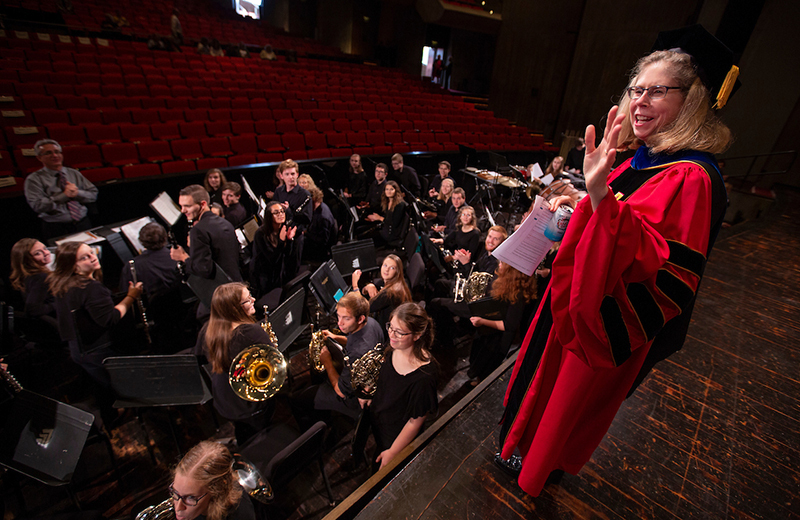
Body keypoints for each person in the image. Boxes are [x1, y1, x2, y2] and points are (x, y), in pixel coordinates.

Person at [498, 26, 735, 497]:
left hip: (603, 318)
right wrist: (578, 205)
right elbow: (605, 216)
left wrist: (599, 196)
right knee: (537, 382)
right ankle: (518, 448)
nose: (640, 102)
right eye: (636, 90)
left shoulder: (691, 175)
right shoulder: (640, 158)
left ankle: (538, 469)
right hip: (574, 297)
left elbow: (656, 262)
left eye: (657, 92)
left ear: (690, 101)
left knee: (565, 402)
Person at [49, 242, 143, 387]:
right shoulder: (91, 288)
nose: (93, 258)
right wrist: (131, 296)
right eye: (84, 258)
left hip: (78, 349)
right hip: (98, 350)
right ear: (74, 266)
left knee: (108, 391)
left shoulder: (61, 284)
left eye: (91, 253)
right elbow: (110, 318)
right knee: (130, 386)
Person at [193, 283, 275, 444]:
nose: (253, 299)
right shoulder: (251, 333)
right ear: (233, 309)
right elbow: (273, 361)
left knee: (244, 432)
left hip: (225, 400)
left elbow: (199, 359)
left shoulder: (207, 330)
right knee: (258, 438)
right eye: (247, 300)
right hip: (250, 403)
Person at [363, 303, 438, 469]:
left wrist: (392, 452)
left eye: (400, 332)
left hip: (396, 435)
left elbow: (415, 422)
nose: (392, 334)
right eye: (391, 327)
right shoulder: (393, 347)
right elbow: (382, 371)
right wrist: (368, 388)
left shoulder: (424, 377)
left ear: (417, 335)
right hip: (380, 418)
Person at [293, 292, 383, 424]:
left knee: (298, 400)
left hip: (353, 400)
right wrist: (335, 338)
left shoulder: (357, 354)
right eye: (338, 316)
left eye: (346, 318)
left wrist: (327, 361)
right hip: (366, 380)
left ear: (360, 318)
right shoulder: (372, 323)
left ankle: (317, 432)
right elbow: (353, 340)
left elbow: (341, 392)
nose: (339, 323)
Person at [467, 261, 538, 385]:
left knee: (486, 368)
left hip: (498, 340)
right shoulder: (501, 277)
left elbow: (509, 325)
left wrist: (482, 321)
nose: (499, 263)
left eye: (503, 262)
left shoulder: (518, 294)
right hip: (487, 331)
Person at [24, 139, 98, 240]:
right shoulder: (34, 179)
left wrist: (77, 193)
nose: (54, 155)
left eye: (57, 152)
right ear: (39, 158)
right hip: (57, 228)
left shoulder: (74, 173)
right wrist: (64, 196)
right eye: (48, 153)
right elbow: (38, 206)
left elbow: (93, 195)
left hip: (83, 223)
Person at [171, 185, 242, 286]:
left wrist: (183, 257)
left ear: (203, 204)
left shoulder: (198, 230)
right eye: (181, 206)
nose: (183, 210)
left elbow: (204, 270)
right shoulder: (225, 222)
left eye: (187, 206)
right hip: (237, 283)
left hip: (222, 291)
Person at [170, 440, 255, 520]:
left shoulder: (239, 515)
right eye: (175, 492)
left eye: (190, 497)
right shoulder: (194, 502)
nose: (178, 508)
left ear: (217, 490)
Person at [351, 254, 412, 332]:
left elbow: (363, 309)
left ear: (397, 272)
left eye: (392, 268)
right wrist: (368, 287)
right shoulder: (385, 283)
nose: (386, 270)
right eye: (385, 265)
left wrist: (355, 286)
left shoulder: (391, 293)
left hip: (387, 333)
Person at [249, 201, 298, 298]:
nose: (281, 215)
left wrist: (289, 240)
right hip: (263, 276)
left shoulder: (283, 228)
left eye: (282, 211)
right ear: (269, 216)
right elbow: (272, 259)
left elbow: (288, 255)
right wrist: (281, 241)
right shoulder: (260, 234)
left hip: (277, 273)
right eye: (276, 213)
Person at [119, 222, 180, 299]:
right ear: (165, 238)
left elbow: (125, 293)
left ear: (141, 241)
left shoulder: (131, 266)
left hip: (151, 309)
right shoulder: (178, 257)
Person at [272, 159, 312, 259]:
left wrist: (289, 210)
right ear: (281, 176)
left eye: (293, 174)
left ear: (297, 174)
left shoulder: (304, 194)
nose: (291, 177)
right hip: (280, 235)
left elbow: (307, 218)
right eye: (287, 174)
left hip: (296, 237)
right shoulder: (278, 191)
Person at [10, 238, 55, 319]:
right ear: (27, 260)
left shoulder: (27, 275)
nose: (46, 253)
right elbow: (33, 309)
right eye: (37, 253)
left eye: (44, 248)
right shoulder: (40, 277)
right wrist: (59, 303)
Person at [369, 181, 407, 249]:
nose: (389, 191)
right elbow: (387, 217)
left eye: (391, 189)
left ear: (396, 191)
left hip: (392, 235)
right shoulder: (387, 201)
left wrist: (379, 218)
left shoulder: (400, 205)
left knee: (369, 240)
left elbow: (394, 223)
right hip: (385, 230)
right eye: (387, 189)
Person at [303, 187, 337, 262]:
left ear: (313, 199)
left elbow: (323, 241)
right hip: (315, 240)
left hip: (320, 251)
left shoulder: (323, 216)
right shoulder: (319, 207)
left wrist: (306, 233)